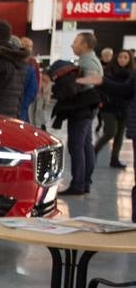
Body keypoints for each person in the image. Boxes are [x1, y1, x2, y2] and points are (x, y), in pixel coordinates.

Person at [59, 31, 105, 196]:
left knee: (76, 145)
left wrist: (73, 84)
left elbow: (93, 83)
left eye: (75, 42)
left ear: (84, 45)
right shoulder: (91, 59)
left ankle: (78, 183)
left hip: (82, 109)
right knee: (85, 145)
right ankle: (84, 182)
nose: (72, 44)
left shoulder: (88, 61)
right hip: (87, 109)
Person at [96, 48, 133, 168]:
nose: (122, 59)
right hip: (109, 107)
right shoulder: (109, 71)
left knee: (119, 136)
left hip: (124, 108)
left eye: (125, 57)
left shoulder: (132, 74)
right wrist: (101, 101)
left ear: (129, 60)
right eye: (120, 57)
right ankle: (93, 151)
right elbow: (101, 87)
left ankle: (114, 159)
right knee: (111, 132)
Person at [17, 36, 39, 123]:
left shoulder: (33, 64)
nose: (29, 49)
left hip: (24, 105)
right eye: (26, 46)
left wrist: (23, 104)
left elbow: (34, 86)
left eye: (31, 46)